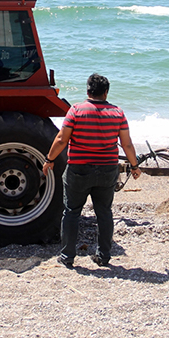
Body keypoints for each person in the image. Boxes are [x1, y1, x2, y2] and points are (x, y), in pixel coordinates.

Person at [43, 73, 142, 268]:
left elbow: (62, 139)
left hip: (79, 169)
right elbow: (127, 144)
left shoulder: (76, 111)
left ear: (87, 91)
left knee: (71, 211)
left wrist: (49, 159)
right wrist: (134, 166)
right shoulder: (118, 113)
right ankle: (103, 256)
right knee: (104, 212)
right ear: (106, 92)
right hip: (107, 170)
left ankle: (67, 256)